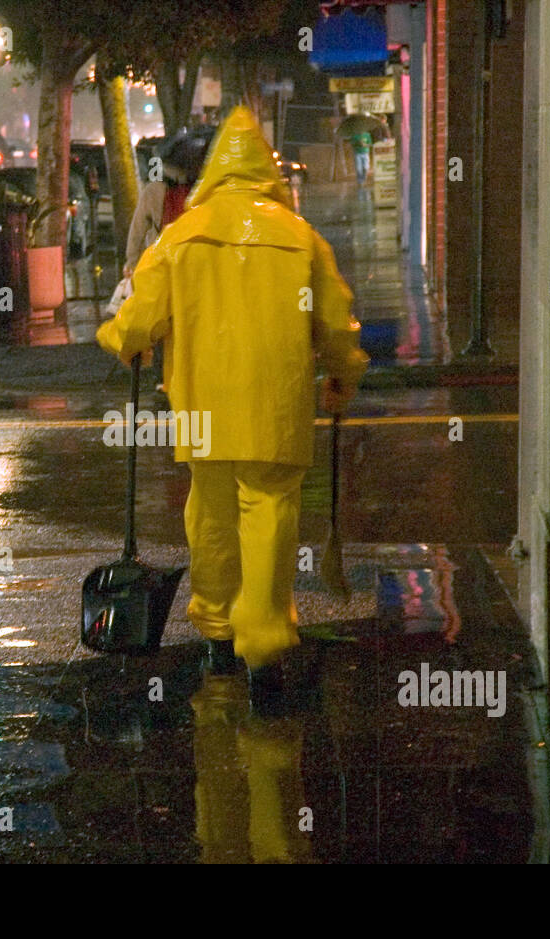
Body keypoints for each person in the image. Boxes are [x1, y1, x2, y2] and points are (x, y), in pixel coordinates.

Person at [96, 107, 369, 714]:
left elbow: (139, 318)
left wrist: (117, 339)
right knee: (270, 515)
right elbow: (334, 325)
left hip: (203, 411)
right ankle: (264, 643)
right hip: (277, 408)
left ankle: (217, 633)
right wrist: (342, 374)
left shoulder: (182, 236)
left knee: (211, 515)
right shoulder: (301, 238)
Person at [124, 135, 209, 390]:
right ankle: (193, 372)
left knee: (163, 320)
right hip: (196, 263)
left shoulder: (154, 190)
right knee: (192, 319)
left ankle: (166, 377)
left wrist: (131, 261)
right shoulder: (203, 191)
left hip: (162, 262)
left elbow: (138, 229)